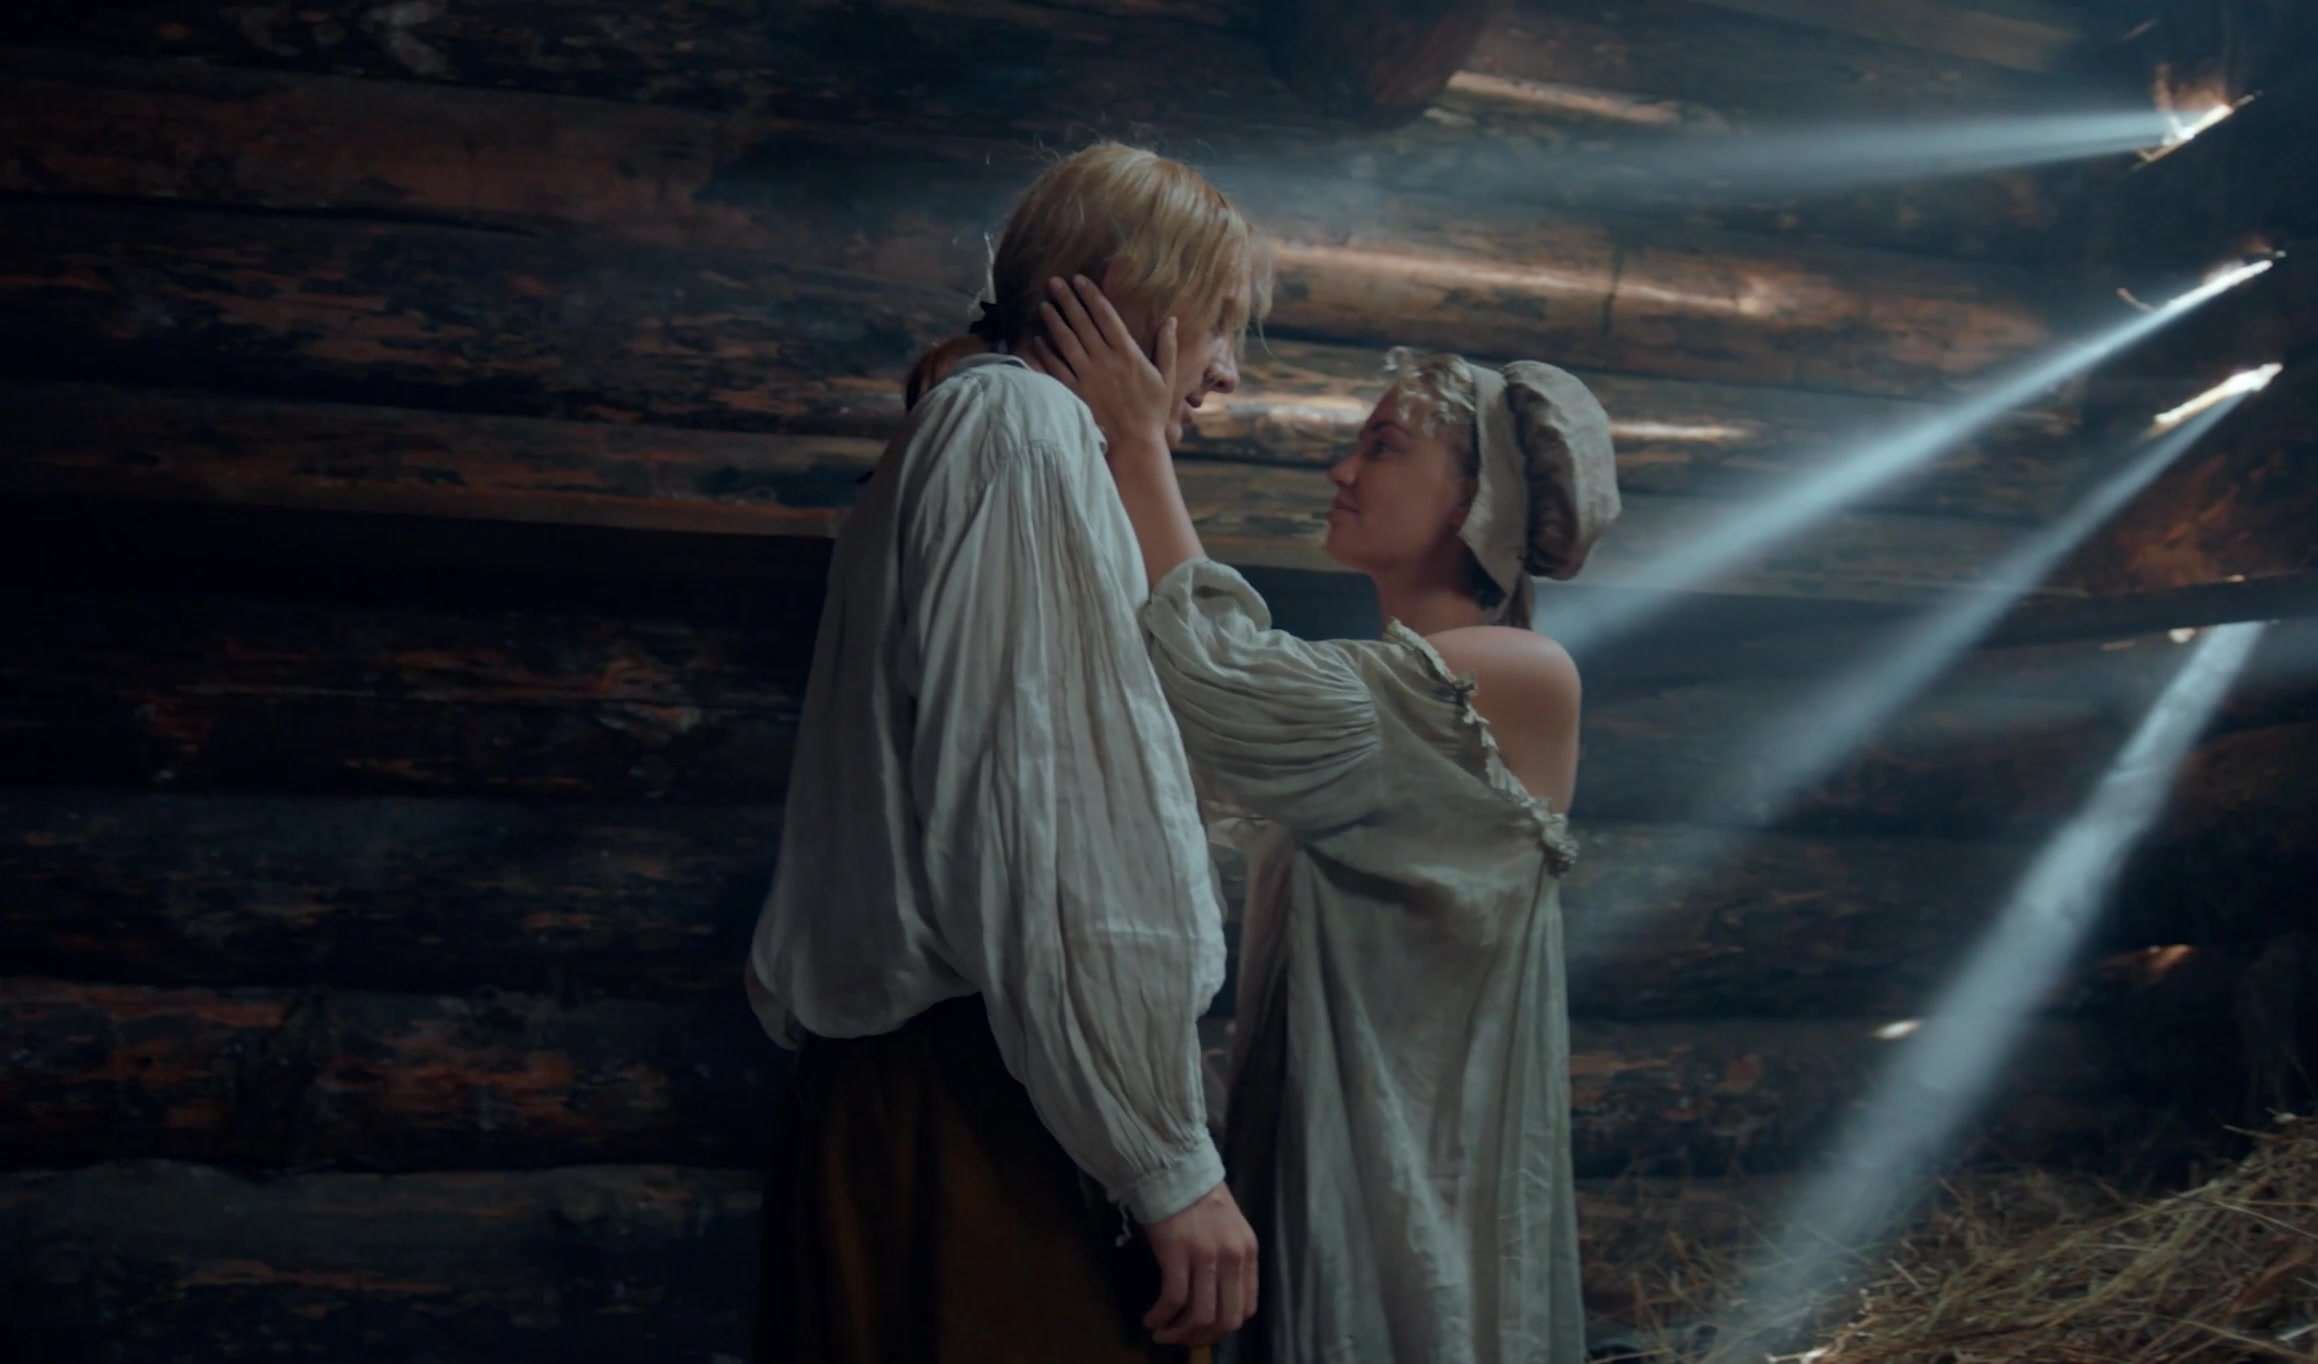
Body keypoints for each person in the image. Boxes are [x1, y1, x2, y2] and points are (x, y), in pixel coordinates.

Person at [1028, 277, 1621, 1363]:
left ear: (1475, 498)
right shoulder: (1387, 691)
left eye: (1384, 447)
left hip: (1410, 1195)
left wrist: (1140, 443)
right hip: (1330, 1164)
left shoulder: (1516, 671)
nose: (1342, 471)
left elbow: (1224, 681)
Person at [744, 144, 1271, 1362]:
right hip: (981, 1113)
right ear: (1124, 295)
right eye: (1216, 322)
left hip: (942, 1098)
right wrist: (1165, 1159)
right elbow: (1044, 823)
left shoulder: (973, 427)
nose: (1227, 372)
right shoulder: (1020, 431)